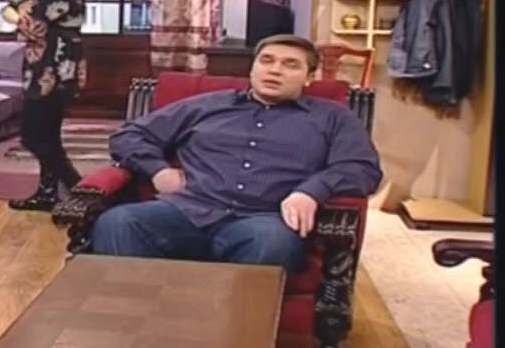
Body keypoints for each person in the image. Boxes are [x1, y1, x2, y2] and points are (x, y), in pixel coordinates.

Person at [91, 35, 382, 272]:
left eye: (290, 65)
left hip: (265, 219)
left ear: (309, 78)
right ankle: (137, 318)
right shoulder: (206, 105)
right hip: (187, 211)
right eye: (266, 61)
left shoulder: (333, 117)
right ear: (252, 69)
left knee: (272, 243)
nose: (275, 70)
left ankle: (233, 327)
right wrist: (158, 170)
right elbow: (129, 136)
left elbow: (362, 168)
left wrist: (311, 191)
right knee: (119, 222)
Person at [2, 0, 88, 211]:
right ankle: (48, 193)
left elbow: (31, 27)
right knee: (48, 136)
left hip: (52, 70)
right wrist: (17, 13)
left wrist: (17, 17)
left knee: (33, 135)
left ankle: (83, 192)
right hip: (55, 67)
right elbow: (11, 9)